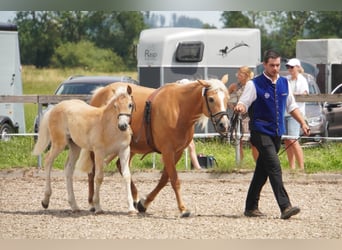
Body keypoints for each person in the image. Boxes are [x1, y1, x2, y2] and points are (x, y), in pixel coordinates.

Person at [234, 49, 310, 219]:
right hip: (260, 132)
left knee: (262, 171)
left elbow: (291, 106)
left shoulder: (284, 83)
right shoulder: (254, 84)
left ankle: (250, 207)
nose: (275, 68)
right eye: (272, 65)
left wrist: (303, 123)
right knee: (275, 167)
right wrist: (240, 107)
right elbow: (244, 102)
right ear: (264, 65)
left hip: (276, 133)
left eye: (277, 65)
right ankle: (285, 206)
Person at [228, 66, 259, 162]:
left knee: (253, 141)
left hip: (249, 116)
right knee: (238, 140)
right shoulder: (234, 86)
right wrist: (231, 106)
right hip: (238, 116)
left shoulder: (252, 85)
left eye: (240, 74)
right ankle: (239, 162)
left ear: (246, 75)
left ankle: (257, 162)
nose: (238, 76)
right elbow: (226, 96)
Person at [284, 58, 309, 170]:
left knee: (293, 139)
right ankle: (292, 167)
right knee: (287, 140)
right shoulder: (286, 79)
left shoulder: (303, 80)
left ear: (298, 67)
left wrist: (291, 94)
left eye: (292, 67)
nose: (290, 69)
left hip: (296, 113)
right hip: (285, 112)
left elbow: (304, 94)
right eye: (288, 67)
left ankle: (301, 167)